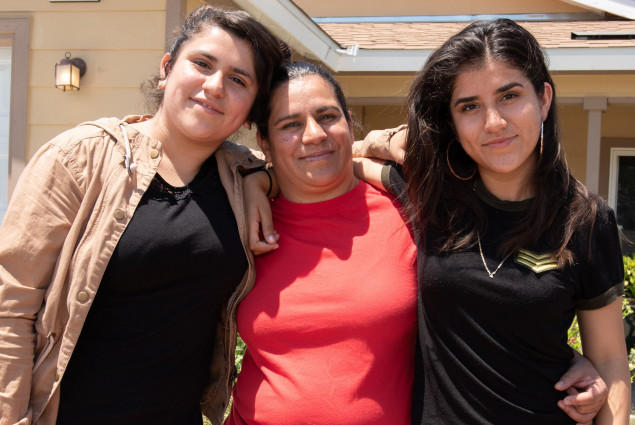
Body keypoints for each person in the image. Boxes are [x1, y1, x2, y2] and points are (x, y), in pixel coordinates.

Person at [0, 5, 288, 425]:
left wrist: (259, 178)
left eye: (238, 80)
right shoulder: (79, 158)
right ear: (167, 69)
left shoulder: (241, 174)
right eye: (202, 63)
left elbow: (327, 153)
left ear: (251, 109)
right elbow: (11, 307)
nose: (215, 86)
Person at [352, 18, 630, 424]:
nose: (494, 123)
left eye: (510, 96)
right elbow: (346, 162)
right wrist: (260, 179)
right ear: (451, 121)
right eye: (470, 107)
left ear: (544, 99)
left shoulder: (586, 219)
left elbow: (608, 359)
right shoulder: (430, 194)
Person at [226, 61, 418, 425]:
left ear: (348, 120)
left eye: (327, 116)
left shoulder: (407, 209)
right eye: (290, 125)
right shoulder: (241, 222)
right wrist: (256, 180)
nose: (314, 134)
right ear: (264, 142)